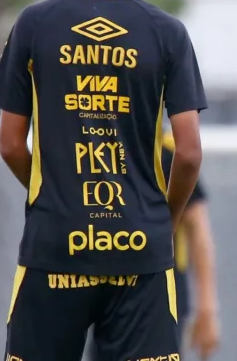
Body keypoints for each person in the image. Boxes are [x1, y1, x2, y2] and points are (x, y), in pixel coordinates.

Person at [0, 0, 207, 361]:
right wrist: (161, 222)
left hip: (55, 245)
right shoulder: (167, 32)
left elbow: (9, 144)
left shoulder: (34, 23)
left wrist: (53, 190)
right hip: (140, 250)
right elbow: (188, 153)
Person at [87, 131, 220, 360]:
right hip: (108, 289)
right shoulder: (97, 146)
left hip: (161, 290)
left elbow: (198, 227)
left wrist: (207, 308)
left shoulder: (166, 149)